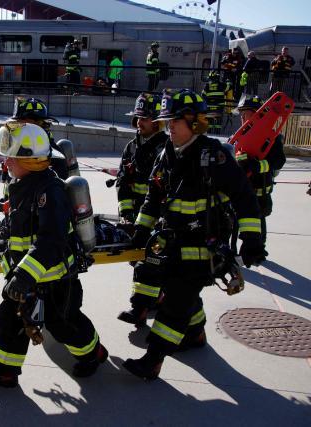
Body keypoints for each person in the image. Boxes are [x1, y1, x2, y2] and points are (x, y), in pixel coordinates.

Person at [122, 89, 265, 381]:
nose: (169, 126)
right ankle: (196, 332)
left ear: (195, 123)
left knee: (174, 302)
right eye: (167, 121)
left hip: (202, 248)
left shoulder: (215, 157)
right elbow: (153, 197)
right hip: (171, 242)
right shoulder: (167, 154)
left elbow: (245, 198)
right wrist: (140, 230)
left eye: (175, 121)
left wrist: (252, 240)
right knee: (183, 294)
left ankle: (153, 360)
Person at [0, 123, 108, 388]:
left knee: (64, 325)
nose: (7, 161)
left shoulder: (50, 191)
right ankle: (4, 373)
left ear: (30, 159)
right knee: (9, 322)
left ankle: (93, 354)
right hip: (25, 277)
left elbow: (52, 240)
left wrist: (24, 274)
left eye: (11, 155)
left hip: (55, 280)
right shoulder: (20, 186)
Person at [115, 93, 169, 327]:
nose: (139, 123)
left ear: (157, 121)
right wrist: (126, 214)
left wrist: (157, 220)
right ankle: (152, 300)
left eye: (144, 118)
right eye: (137, 118)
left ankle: (142, 307)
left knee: (151, 262)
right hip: (137, 214)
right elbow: (122, 182)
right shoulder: (132, 146)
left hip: (158, 217)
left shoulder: (167, 148)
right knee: (138, 259)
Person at [233, 95, 286, 254]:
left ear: (259, 114)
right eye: (241, 113)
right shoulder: (239, 136)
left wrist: (257, 166)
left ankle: (258, 250)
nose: (242, 117)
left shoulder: (272, 137)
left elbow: (279, 161)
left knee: (258, 220)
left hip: (260, 191)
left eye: (246, 112)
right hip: (241, 190)